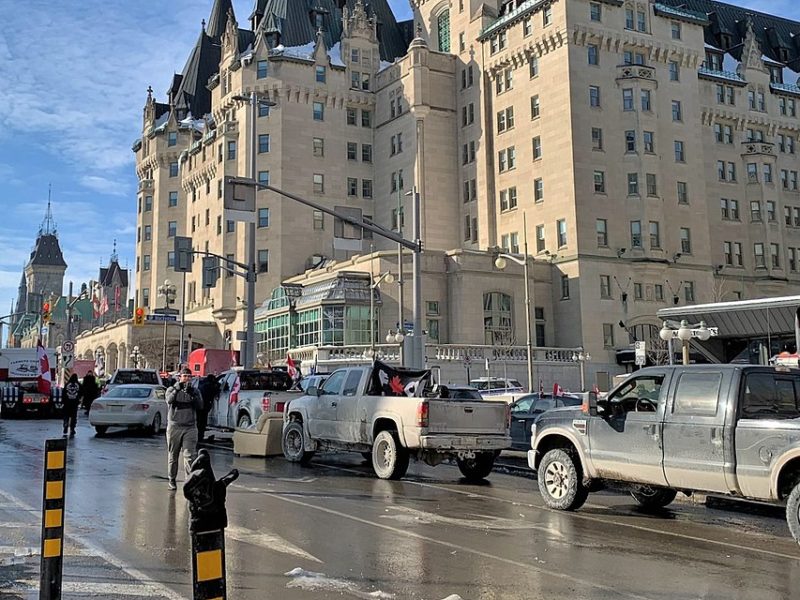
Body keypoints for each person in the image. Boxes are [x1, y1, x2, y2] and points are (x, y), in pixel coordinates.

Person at [165, 367, 203, 491]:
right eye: (184, 376)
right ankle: (172, 479)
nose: (186, 379)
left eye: (189, 376)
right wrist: (177, 389)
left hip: (190, 427)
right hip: (175, 427)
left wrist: (193, 395)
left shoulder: (195, 391)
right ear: (179, 377)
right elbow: (169, 400)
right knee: (173, 455)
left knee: (190, 456)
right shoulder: (171, 389)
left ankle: (189, 481)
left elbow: (200, 406)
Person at [196, 374, 219, 441]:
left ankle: (199, 436)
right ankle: (200, 436)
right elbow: (215, 391)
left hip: (199, 405)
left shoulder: (202, 384)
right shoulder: (209, 385)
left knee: (198, 422)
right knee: (202, 422)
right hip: (204, 406)